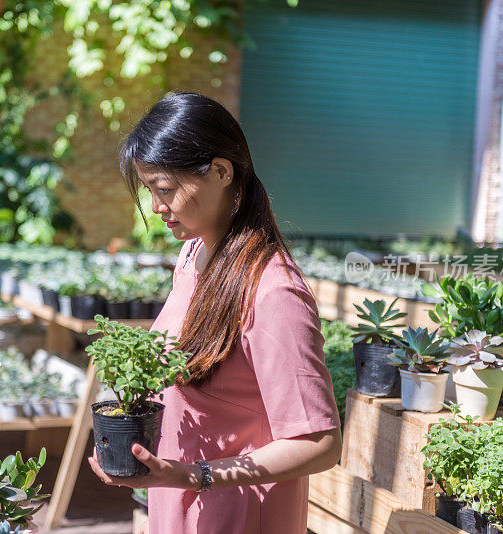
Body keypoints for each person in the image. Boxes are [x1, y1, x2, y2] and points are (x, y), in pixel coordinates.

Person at [87, 92, 342, 534]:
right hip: (180, 506)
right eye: (149, 189)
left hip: (238, 515)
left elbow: (319, 443)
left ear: (222, 172)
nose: (155, 206)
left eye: (164, 189)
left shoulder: (273, 291)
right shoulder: (193, 255)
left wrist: (195, 475)